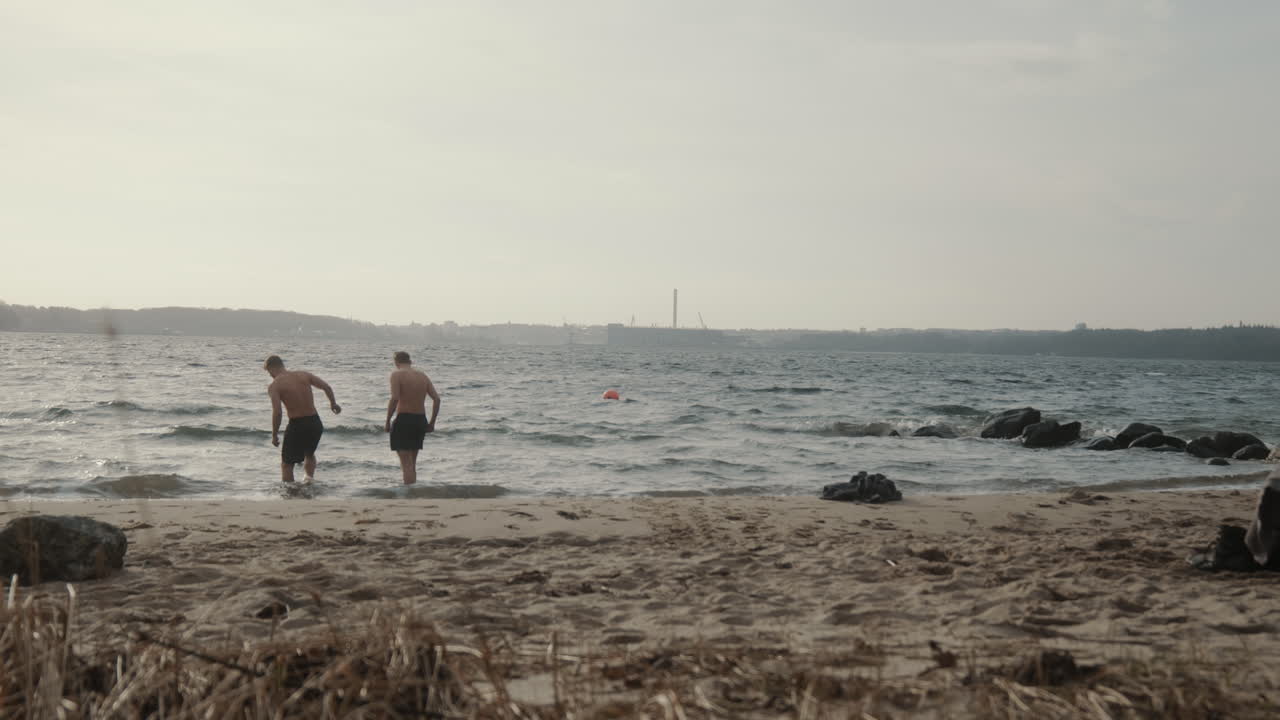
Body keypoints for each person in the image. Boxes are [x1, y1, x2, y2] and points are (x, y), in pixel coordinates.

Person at [264, 355, 341, 484]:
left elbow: (277, 412)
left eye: (268, 372)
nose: (270, 375)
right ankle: (308, 481)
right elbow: (326, 387)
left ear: (271, 369)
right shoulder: (303, 375)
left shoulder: (275, 385)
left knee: (287, 463)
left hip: (297, 425)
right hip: (315, 422)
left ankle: (290, 490)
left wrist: (274, 434)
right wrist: (333, 404)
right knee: (309, 454)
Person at [384, 350, 441, 485]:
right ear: (410, 361)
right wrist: (432, 423)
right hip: (420, 420)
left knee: (406, 464)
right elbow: (437, 399)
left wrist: (387, 421)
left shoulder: (396, 375)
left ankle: (408, 496)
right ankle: (413, 493)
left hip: (404, 419)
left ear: (396, 362)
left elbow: (395, 398)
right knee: (412, 464)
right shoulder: (422, 376)